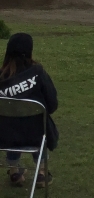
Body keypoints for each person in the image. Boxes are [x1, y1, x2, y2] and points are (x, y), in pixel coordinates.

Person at [0, 33, 58, 188]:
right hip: (35, 135)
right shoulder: (38, 73)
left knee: (11, 122)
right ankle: (42, 172)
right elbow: (52, 104)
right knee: (38, 123)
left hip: (5, 137)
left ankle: (14, 171)